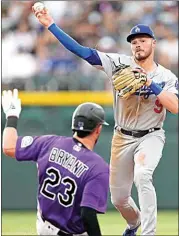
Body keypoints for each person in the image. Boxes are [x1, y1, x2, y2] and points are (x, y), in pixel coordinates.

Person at [32, 5, 179, 236]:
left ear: (153, 43)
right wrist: (51, 25)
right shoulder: (119, 63)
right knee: (119, 199)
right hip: (122, 137)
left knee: (142, 175)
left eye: (143, 40)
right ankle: (133, 225)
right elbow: (82, 51)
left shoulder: (166, 77)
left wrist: (150, 84)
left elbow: (175, 107)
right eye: (134, 41)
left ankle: (149, 233)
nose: (138, 44)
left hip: (151, 134)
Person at [2, 89, 109, 236]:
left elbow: (8, 147)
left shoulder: (49, 143)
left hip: (43, 227)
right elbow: (87, 214)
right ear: (98, 129)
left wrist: (12, 115)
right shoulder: (98, 167)